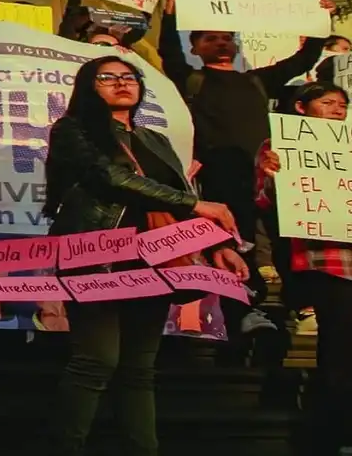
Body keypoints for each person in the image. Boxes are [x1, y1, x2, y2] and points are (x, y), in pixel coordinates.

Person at [43, 55, 247, 456]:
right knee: (97, 362)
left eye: (129, 76)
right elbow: (109, 177)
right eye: (107, 77)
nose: (122, 83)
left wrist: (219, 244)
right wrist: (195, 206)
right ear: (89, 87)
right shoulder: (72, 129)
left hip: (155, 259)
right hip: (95, 253)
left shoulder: (156, 139)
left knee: (139, 370)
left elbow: (187, 195)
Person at [158, 0, 334, 339]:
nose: (221, 43)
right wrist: (170, 10)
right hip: (222, 174)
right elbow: (168, 54)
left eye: (226, 37)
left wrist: (320, 19)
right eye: (210, 39)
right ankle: (245, 310)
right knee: (235, 244)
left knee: (284, 240)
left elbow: (303, 59)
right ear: (196, 47)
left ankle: (298, 307)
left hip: (269, 174)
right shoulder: (194, 80)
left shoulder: (257, 80)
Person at [255, 81, 351, 456]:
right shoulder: (279, 146)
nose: (337, 109)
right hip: (328, 261)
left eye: (342, 104)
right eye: (328, 102)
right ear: (301, 108)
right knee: (339, 352)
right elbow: (264, 202)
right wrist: (275, 174)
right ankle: (332, 433)